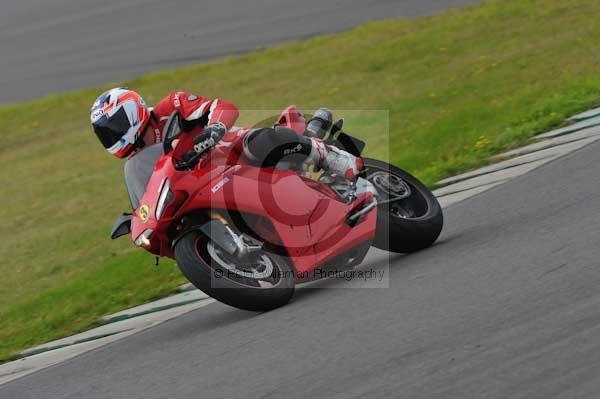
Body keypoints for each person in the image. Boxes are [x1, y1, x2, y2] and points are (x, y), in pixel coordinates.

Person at [90, 88, 363, 207]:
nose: (111, 136)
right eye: (106, 133)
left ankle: (333, 158)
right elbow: (151, 196)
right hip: (204, 188)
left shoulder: (170, 106)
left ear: (131, 112)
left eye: (113, 128)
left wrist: (215, 128)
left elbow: (223, 107)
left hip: (231, 154)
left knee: (259, 142)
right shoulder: (137, 163)